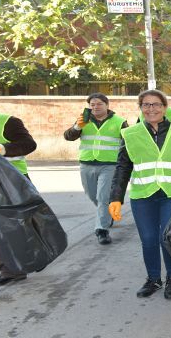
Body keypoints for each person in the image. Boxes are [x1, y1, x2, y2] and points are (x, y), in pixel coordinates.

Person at [108, 89, 171, 300]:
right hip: (143, 195)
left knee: (168, 238)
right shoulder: (130, 133)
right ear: (141, 108)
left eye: (156, 104)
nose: (151, 108)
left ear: (165, 107)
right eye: (146, 104)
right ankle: (153, 279)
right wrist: (115, 198)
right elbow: (122, 168)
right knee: (148, 239)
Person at [64, 93, 128, 245]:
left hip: (110, 165)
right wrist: (77, 127)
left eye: (99, 104)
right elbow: (68, 136)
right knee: (93, 195)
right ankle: (107, 214)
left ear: (107, 105)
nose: (95, 107)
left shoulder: (120, 122)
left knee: (103, 197)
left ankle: (102, 230)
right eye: (92, 105)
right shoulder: (83, 121)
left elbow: (128, 143)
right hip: (87, 164)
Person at [0, 107, 37, 288]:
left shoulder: (6, 121)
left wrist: (4, 148)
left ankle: (13, 269)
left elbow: (29, 144)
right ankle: (12, 267)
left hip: (6, 180)